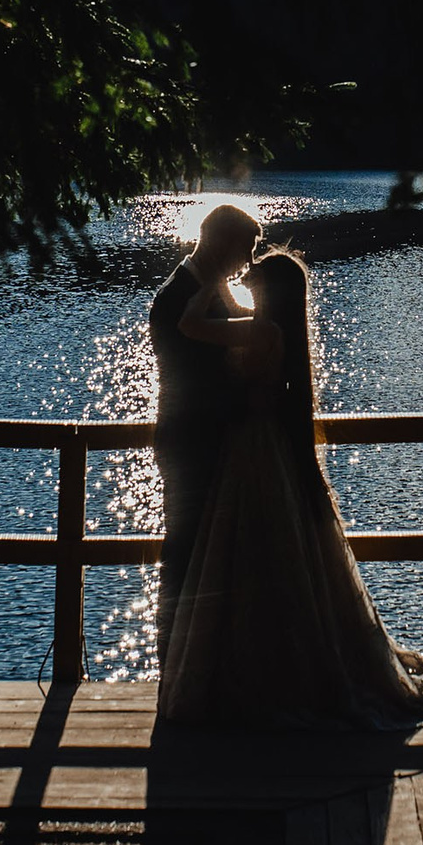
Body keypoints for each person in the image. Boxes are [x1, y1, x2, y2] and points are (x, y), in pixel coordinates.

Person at [156, 248, 423, 729]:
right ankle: (285, 667)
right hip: (269, 446)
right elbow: (228, 319)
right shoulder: (273, 330)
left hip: (249, 447)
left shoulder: (259, 330)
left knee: (247, 554)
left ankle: (254, 672)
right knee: (277, 555)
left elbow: (190, 325)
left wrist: (211, 277)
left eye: (255, 276)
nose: (246, 276)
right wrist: (224, 282)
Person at [148, 202, 262, 669]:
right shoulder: (178, 297)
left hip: (208, 440)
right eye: (245, 250)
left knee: (212, 549)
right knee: (184, 548)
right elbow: (202, 374)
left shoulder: (207, 288)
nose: (248, 262)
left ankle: (208, 659)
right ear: (221, 243)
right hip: (191, 442)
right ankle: (174, 658)